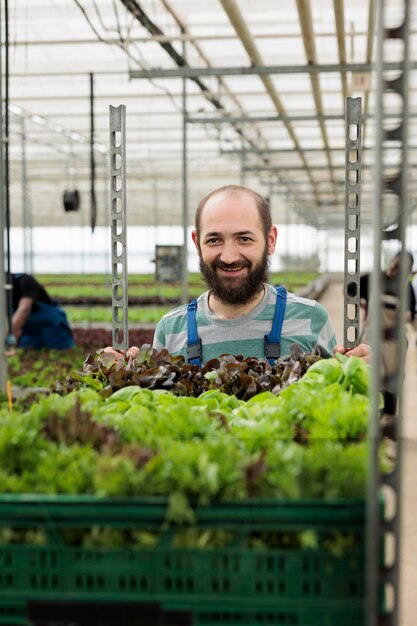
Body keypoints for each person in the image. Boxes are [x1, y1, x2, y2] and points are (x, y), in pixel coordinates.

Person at [108, 185, 369, 364]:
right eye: (214, 240)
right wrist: (126, 375)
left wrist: (357, 373)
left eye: (244, 239)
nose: (229, 256)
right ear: (197, 242)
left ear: (270, 240)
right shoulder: (171, 329)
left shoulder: (311, 319)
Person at [11, 272, 74, 350]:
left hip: (52, 328)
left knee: (59, 352)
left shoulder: (25, 281)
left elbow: (24, 310)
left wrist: (8, 335)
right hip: (31, 334)